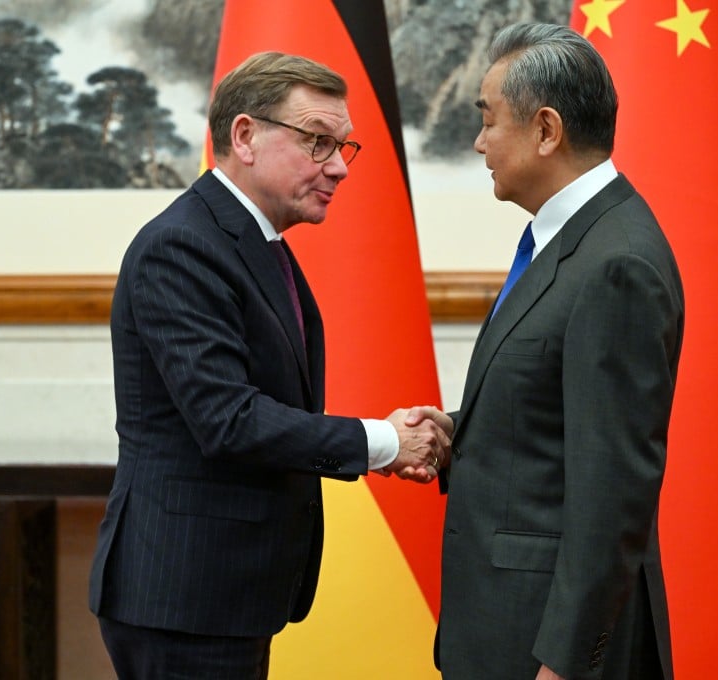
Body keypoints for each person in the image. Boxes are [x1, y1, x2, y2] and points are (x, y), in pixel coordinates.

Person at [88, 51, 450, 679]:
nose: (339, 166)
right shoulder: (182, 246)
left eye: (343, 146)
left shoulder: (253, 241)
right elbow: (228, 420)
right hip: (184, 597)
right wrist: (387, 442)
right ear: (245, 136)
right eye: (317, 142)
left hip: (227, 592)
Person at [431, 23, 684, 680]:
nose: (479, 142)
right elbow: (555, 416)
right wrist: (459, 433)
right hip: (506, 626)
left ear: (546, 130)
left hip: (545, 646)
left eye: (489, 120)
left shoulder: (616, 263)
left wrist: (566, 664)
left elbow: (612, 492)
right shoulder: (572, 240)